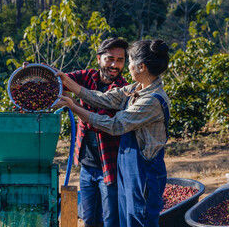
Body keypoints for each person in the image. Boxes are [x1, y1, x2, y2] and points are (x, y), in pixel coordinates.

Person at [56, 39, 170, 227]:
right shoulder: (135, 89)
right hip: (129, 169)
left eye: (129, 61)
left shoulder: (152, 101)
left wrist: (74, 107)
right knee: (126, 220)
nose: (128, 66)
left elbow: (115, 125)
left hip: (145, 173)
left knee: (139, 220)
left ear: (141, 67)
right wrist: (68, 83)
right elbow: (104, 98)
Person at [23, 37, 129, 227]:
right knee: (89, 219)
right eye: (110, 59)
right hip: (87, 166)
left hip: (110, 167)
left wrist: (73, 105)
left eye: (120, 60)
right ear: (99, 58)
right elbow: (59, 80)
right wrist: (37, 73)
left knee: (111, 221)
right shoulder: (88, 76)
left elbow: (99, 121)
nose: (114, 65)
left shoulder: (123, 90)